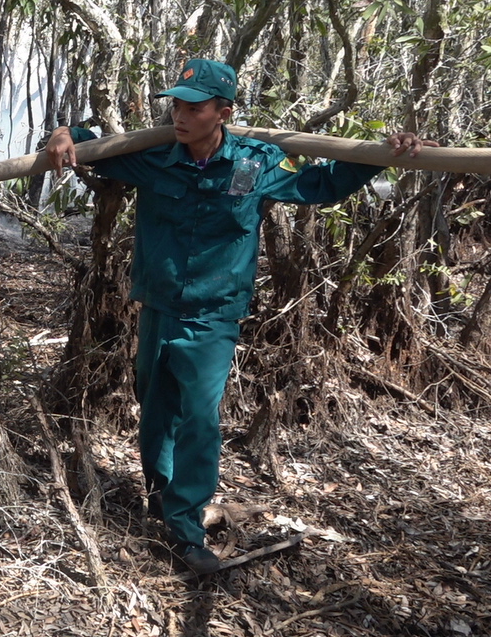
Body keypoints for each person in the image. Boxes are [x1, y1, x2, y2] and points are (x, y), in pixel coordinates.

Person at [45, 59, 432, 575]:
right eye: (177, 105)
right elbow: (94, 146)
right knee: (155, 405)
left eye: (195, 107)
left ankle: (184, 527)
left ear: (223, 111)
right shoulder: (153, 154)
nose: (181, 116)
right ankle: (162, 498)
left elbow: (321, 185)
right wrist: (64, 133)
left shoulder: (256, 162)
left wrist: (381, 157)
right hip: (158, 306)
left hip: (213, 314)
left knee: (200, 418)